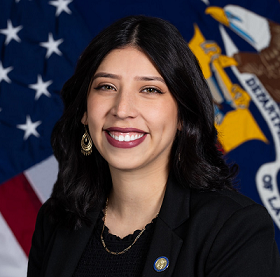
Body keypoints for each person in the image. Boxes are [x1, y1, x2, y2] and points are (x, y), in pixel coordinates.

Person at [27, 15, 280, 276]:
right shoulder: (56, 219)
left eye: (150, 90)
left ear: (183, 114)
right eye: (107, 86)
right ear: (83, 110)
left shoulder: (235, 228)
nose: (122, 109)